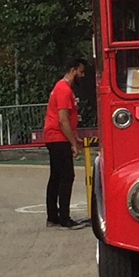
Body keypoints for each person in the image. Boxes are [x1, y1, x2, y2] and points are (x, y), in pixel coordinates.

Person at [42, 59, 87, 228]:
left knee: (56, 177)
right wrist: (73, 143)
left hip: (54, 137)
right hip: (59, 138)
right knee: (67, 177)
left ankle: (52, 216)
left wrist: (73, 138)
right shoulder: (64, 90)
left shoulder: (59, 87)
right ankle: (64, 217)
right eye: (81, 72)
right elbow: (63, 120)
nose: (82, 76)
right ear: (73, 70)